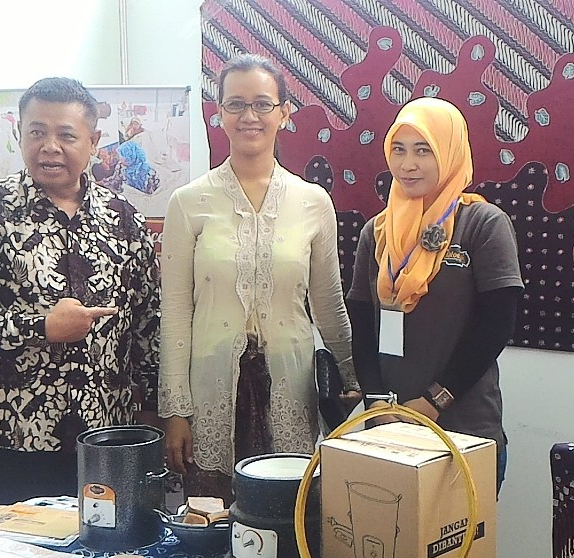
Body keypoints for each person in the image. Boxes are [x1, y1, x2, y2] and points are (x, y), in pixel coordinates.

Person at [0, 77, 161, 511]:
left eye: (66, 135)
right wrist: (42, 327)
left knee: (105, 549)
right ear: (19, 133)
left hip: (106, 439)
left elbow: (148, 326)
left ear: (93, 141)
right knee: (17, 552)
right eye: (36, 132)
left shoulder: (123, 219)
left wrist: (152, 410)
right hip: (10, 437)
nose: (49, 147)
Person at [159, 54, 360, 503]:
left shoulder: (312, 202)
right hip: (210, 391)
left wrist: (353, 381)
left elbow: (329, 303)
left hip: (292, 386)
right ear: (219, 112)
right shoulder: (188, 202)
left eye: (262, 104)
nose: (249, 115)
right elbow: (174, 310)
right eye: (236, 104)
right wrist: (174, 410)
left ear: (284, 112)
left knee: (288, 518)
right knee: (213, 518)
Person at [346, 97, 524, 494]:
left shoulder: (482, 224)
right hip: (388, 431)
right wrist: (376, 402)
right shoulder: (377, 232)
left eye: (423, 150)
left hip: (464, 432)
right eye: (399, 149)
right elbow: (362, 325)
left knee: (460, 536)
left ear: (449, 152)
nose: (408, 164)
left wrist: (434, 400)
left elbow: (496, 327)